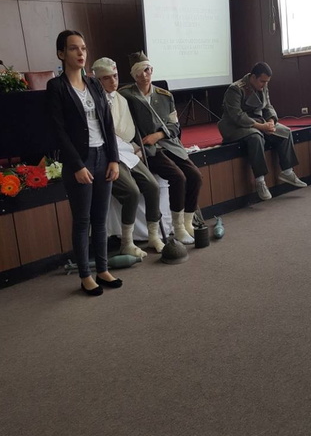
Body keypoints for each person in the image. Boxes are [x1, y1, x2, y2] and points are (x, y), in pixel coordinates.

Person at [47, 30, 122, 296]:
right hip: (80, 160)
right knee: (82, 220)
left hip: (103, 155)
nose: (81, 53)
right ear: (61, 54)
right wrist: (78, 165)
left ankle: (102, 270)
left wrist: (114, 158)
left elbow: (108, 123)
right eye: (73, 48)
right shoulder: (56, 87)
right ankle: (85, 276)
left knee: (100, 219)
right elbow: (58, 131)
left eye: (83, 48)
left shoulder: (94, 84)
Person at [119, 52, 202, 244]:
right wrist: (137, 145)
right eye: (139, 72)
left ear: (152, 70)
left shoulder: (165, 96)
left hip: (169, 145)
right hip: (148, 149)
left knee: (195, 176)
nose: (144, 75)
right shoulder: (126, 96)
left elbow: (175, 126)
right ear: (133, 75)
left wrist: (159, 135)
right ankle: (178, 228)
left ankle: (187, 222)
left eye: (147, 70)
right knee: (178, 177)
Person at [92, 57, 164, 255]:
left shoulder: (121, 99)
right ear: (98, 80)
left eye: (115, 76)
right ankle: (127, 242)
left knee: (153, 186)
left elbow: (127, 131)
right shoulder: (92, 101)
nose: (113, 81)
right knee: (131, 191)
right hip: (105, 153)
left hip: (124, 149)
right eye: (107, 78)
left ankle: (153, 236)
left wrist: (132, 147)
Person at [218, 62, 307, 201]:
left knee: (284, 131)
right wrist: (261, 127)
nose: (265, 84)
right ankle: (260, 180)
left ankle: (287, 171)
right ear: (253, 77)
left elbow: (268, 106)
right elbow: (237, 116)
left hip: (258, 121)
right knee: (256, 137)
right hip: (234, 126)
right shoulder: (235, 89)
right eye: (262, 81)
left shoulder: (262, 85)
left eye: (267, 82)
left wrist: (271, 121)